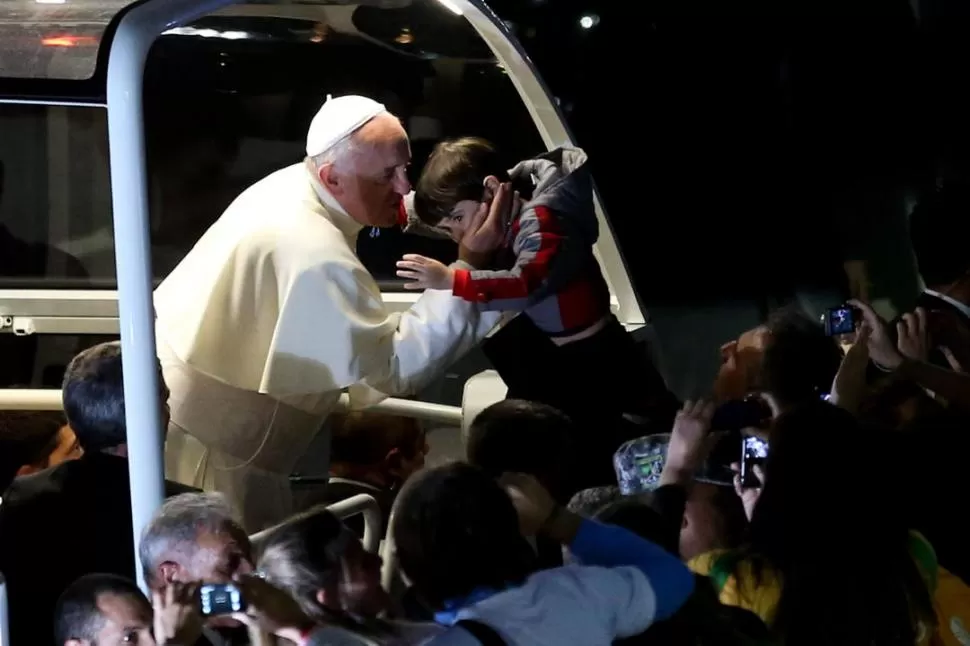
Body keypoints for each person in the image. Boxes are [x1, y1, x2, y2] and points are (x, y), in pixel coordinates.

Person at [154, 96, 509, 532]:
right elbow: (394, 368)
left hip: (210, 433)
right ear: (332, 177)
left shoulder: (299, 183)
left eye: (405, 168)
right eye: (387, 176)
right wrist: (469, 267)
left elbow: (388, 204)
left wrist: (447, 207)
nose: (403, 186)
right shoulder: (316, 253)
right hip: (222, 456)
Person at [397, 137, 678, 478]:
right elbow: (452, 215)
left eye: (458, 218)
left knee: (624, 449)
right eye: (448, 227)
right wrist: (395, 205)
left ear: (490, 190)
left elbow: (525, 284)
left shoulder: (543, 221)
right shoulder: (500, 216)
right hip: (566, 355)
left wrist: (452, 279)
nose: (458, 235)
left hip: (599, 358)